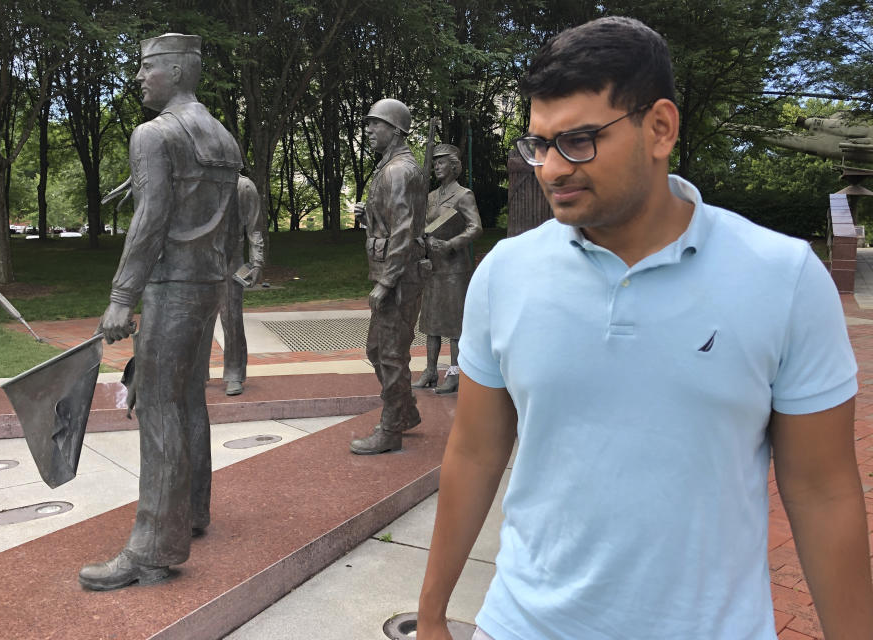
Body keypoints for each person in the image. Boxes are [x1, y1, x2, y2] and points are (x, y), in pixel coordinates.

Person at [417, 16, 873, 640]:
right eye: (539, 143)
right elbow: (474, 450)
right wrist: (433, 614)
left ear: (659, 128)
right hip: (520, 625)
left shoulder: (782, 277)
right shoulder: (506, 272)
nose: (550, 169)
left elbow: (823, 493)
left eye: (578, 139)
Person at [79, 33, 242, 591]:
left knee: (158, 406)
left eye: (148, 67)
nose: (140, 77)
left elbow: (150, 219)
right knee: (189, 398)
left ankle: (153, 546)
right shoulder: (221, 135)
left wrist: (123, 295)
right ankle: (193, 510)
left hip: (172, 285)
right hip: (207, 283)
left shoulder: (154, 135)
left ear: (176, 70)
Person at [349, 98, 427, 455]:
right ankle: (406, 409)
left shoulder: (398, 170)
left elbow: (404, 231)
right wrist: (370, 215)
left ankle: (391, 428)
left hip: (399, 276)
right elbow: (391, 222)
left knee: (392, 355)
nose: (368, 131)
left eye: (374, 125)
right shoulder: (390, 167)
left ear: (395, 130)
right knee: (378, 349)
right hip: (393, 272)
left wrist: (386, 281)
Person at [413, 143, 482, 395]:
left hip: (455, 268)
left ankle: (454, 374)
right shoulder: (431, 196)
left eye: (441, 162)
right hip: (433, 266)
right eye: (434, 163)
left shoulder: (464, 195)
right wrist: (423, 240)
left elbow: (475, 227)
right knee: (431, 321)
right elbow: (422, 227)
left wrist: (451, 244)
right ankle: (430, 371)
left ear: (454, 166)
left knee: (453, 325)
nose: (436, 167)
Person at [217, 174, 264, 396]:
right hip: (198, 258)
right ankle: (196, 373)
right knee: (195, 318)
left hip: (231, 257)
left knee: (231, 317)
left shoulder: (243, 186)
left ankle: (234, 373)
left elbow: (254, 229)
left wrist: (256, 262)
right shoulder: (198, 180)